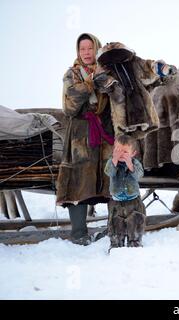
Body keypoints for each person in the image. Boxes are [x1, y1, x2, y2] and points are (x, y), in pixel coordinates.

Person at [56, 33, 115, 245]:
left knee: (110, 177)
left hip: (106, 132)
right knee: (79, 180)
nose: (86, 53)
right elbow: (69, 106)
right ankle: (79, 233)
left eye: (90, 48)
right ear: (78, 52)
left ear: (97, 49)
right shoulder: (72, 74)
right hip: (81, 134)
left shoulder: (108, 72)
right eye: (82, 49)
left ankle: (113, 227)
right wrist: (89, 83)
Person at [104, 134, 145, 250]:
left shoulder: (135, 163)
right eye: (118, 150)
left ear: (133, 154)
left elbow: (139, 175)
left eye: (125, 152)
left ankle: (135, 241)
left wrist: (130, 165)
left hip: (133, 200)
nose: (121, 154)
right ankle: (116, 243)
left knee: (135, 221)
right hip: (116, 201)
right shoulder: (111, 163)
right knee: (116, 223)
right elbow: (109, 172)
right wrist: (115, 160)